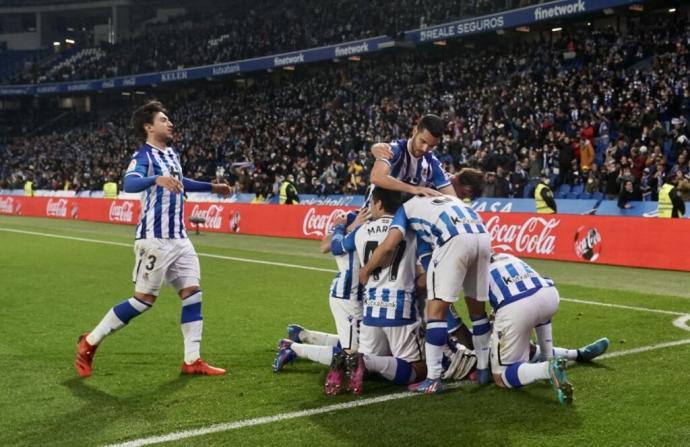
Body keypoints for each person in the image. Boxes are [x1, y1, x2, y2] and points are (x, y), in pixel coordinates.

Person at [75, 100, 231, 378]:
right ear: (148, 127)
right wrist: (155, 179)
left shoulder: (172, 154)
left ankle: (192, 360)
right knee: (143, 300)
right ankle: (89, 342)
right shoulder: (143, 156)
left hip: (180, 239)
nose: (169, 123)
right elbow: (130, 183)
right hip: (154, 239)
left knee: (193, 294)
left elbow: (181, 182)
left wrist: (212, 186)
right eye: (163, 120)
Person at [360, 177, 491, 394]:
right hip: (482, 236)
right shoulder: (444, 199)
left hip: (454, 239)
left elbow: (388, 246)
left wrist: (365, 270)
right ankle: (484, 369)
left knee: (435, 313)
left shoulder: (406, 209)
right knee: (477, 311)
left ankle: (433, 378)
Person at [330, 187, 428, 395]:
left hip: (370, 311)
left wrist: (339, 229)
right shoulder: (409, 230)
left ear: (379, 204)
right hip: (400, 309)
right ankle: (367, 363)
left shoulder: (362, 230)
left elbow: (337, 247)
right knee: (419, 370)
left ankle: (360, 361)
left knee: (373, 357)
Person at [487, 252, 608, 404]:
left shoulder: (475, 270)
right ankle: (577, 354)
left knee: (501, 377)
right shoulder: (506, 256)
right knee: (530, 348)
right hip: (548, 295)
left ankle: (548, 368)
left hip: (515, 308)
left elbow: (477, 317)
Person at [272, 210, 369, 374]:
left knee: (362, 343)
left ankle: (302, 335)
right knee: (355, 357)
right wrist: (350, 227)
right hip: (348, 294)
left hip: (359, 294)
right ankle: (292, 349)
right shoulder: (351, 217)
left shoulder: (382, 219)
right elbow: (324, 246)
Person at [369, 114, 455, 198]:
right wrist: (414, 189)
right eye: (423, 141)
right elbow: (376, 177)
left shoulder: (432, 163)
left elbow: (452, 198)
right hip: (375, 210)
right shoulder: (395, 149)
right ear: (415, 131)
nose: (424, 149)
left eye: (431, 146)